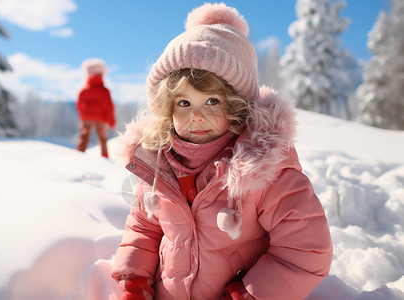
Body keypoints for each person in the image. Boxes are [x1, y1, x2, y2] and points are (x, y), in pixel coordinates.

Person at [111, 3, 332, 300]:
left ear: (237, 104)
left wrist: (248, 295)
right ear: (167, 108)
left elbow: (306, 250)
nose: (196, 116)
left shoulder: (265, 172)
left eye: (212, 101)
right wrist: (134, 280)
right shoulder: (160, 166)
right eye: (184, 103)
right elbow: (143, 230)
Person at [75, 58, 115, 158]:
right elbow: (109, 107)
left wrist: (83, 116)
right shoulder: (105, 91)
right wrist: (111, 120)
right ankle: (105, 155)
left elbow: (79, 105)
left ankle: (79, 153)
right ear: (101, 74)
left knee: (84, 137)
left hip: (87, 118)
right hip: (101, 118)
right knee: (102, 138)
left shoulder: (84, 90)